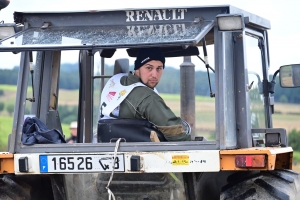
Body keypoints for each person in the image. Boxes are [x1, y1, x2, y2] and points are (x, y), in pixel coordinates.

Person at [100, 47, 191, 141]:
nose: (154, 75)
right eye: (149, 68)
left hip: (108, 147)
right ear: (137, 68)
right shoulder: (148, 98)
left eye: (159, 68)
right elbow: (176, 135)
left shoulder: (116, 81)